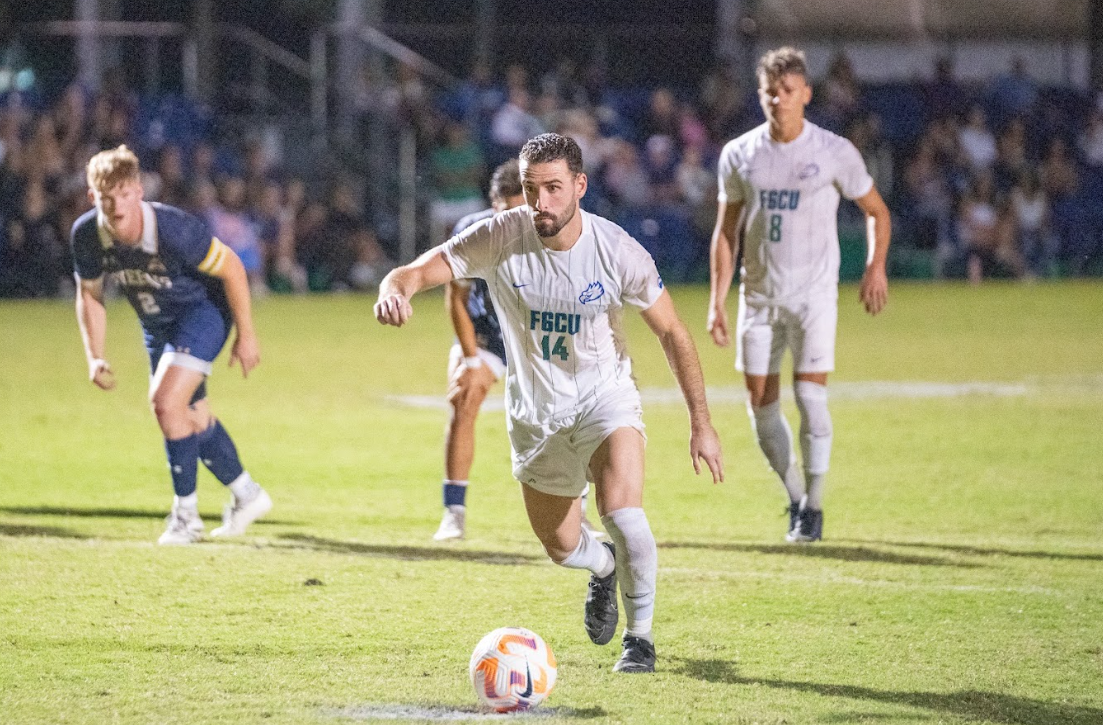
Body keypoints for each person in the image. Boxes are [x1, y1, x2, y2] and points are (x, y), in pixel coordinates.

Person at [376, 133, 724, 673]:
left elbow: (674, 332)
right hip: (536, 416)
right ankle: (604, 569)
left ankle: (641, 639)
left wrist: (701, 422)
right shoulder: (498, 236)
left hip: (605, 399)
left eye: (554, 188)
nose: (541, 202)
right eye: (531, 188)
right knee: (561, 545)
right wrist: (393, 288)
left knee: (624, 515)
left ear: (580, 186)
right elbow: (420, 271)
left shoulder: (616, 251)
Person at [707, 47, 891, 543]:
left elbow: (876, 210)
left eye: (787, 91)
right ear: (760, 93)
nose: (777, 99)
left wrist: (875, 266)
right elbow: (725, 233)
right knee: (761, 408)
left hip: (814, 297)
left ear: (805, 94)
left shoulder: (833, 151)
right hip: (759, 300)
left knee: (810, 397)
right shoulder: (740, 154)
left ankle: (814, 501)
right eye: (770, 91)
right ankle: (793, 496)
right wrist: (717, 300)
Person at [71, 145, 272, 545]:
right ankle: (248, 494)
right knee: (192, 415)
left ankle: (185, 517)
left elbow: (232, 267)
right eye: (107, 196)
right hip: (158, 326)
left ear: (139, 190)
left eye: (125, 193)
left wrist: (246, 335)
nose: (117, 204)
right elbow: (89, 294)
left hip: (203, 314)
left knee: (165, 402)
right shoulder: (87, 235)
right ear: (93, 196)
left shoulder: (174, 229)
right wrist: (95, 356)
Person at [434, 160, 524, 541]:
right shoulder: (473, 231)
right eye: (506, 212)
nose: (513, 222)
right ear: (493, 205)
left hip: (536, 336)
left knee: (568, 413)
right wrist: (470, 360)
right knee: (464, 395)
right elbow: (455, 295)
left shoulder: (556, 229)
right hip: (488, 334)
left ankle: (579, 510)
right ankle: (454, 511)